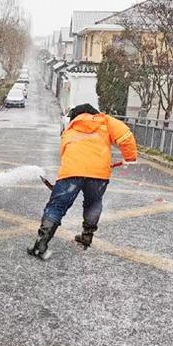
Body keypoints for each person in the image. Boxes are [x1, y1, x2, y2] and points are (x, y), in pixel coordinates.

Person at [28, 103, 137, 260]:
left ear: (74, 116)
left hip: (71, 172)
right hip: (98, 173)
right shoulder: (105, 121)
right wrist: (129, 157)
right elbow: (126, 136)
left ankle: (41, 245)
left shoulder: (70, 129)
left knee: (57, 206)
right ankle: (87, 236)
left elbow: (65, 154)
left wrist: (62, 184)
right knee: (93, 202)